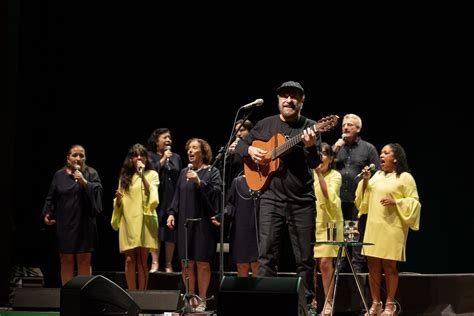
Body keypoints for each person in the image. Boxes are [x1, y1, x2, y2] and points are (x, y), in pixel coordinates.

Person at [234, 80, 322, 304]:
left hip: (302, 201)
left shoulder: (310, 126)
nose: (289, 100)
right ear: (278, 100)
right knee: (266, 257)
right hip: (270, 198)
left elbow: (315, 163)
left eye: (294, 96)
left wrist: (310, 145)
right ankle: (265, 303)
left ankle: (305, 304)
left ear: (302, 101)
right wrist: (251, 149)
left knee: (304, 259)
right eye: (285, 96)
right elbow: (240, 146)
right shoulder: (264, 124)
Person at [355, 143, 421, 316]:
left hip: (393, 227)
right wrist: (366, 180)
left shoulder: (405, 177)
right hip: (374, 224)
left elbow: (414, 203)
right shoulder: (376, 175)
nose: (381, 156)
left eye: (386, 153)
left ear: (396, 157)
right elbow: (362, 201)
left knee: (390, 266)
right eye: (380, 153)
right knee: (372, 266)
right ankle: (376, 304)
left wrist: (396, 202)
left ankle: (390, 304)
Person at [166, 138, 221, 312]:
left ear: (203, 152)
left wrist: (199, 182)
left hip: (204, 223)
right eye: (188, 148)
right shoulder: (183, 173)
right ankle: (190, 298)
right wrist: (171, 213)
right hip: (185, 223)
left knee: (202, 263)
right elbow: (177, 196)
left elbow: (216, 195)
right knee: (186, 262)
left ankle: (203, 298)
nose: (190, 151)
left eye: (194, 148)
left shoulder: (212, 171)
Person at [42, 144, 103, 286]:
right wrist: (47, 213)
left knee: (84, 260)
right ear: (68, 158)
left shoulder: (91, 173)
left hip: (85, 224)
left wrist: (83, 181)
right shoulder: (59, 175)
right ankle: (68, 297)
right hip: (65, 224)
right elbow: (51, 197)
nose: (78, 158)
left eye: (81, 155)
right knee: (66, 259)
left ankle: (84, 297)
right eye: (75, 155)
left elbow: (98, 191)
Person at [332, 113, 380, 273]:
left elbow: (377, 172)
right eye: (344, 125)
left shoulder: (368, 148)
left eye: (350, 125)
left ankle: (357, 265)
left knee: (354, 230)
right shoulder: (337, 148)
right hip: (337, 198)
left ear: (358, 128)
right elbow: (324, 166)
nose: (345, 127)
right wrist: (334, 150)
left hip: (357, 198)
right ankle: (341, 262)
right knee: (339, 230)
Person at [111, 143, 159, 290]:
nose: (139, 157)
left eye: (142, 155)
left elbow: (152, 194)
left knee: (142, 260)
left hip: (144, 220)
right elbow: (120, 202)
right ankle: (132, 294)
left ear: (145, 158)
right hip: (128, 221)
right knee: (129, 260)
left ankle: (142, 296)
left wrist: (141, 174)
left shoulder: (152, 174)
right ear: (130, 158)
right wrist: (118, 200)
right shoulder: (124, 176)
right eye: (135, 155)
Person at [311, 142, 343, 315]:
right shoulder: (309, 175)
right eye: (318, 153)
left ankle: (328, 302)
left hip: (329, 222)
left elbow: (328, 195)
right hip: (311, 222)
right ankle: (314, 301)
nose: (321, 156)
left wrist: (318, 173)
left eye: (324, 154)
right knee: (310, 264)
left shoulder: (335, 175)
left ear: (331, 159)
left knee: (324, 263)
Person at [147, 128, 182, 273]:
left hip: (171, 197)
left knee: (170, 231)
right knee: (155, 231)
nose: (168, 140)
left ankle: (168, 263)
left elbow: (179, 176)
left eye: (170, 138)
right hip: (156, 197)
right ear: (156, 141)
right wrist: (163, 160)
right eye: (165, 138)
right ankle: (155, 263)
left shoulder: (176, 158)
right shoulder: (149, 156)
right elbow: (149, 173)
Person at [224, 174, 259, 277]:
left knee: (257, 264)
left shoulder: (266, 179)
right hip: (241, 226)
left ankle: (259, 293)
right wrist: (223, 216)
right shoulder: (237, 181)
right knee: (242, 264)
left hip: (259, 227)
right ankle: (243, 293)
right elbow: (230, 204)